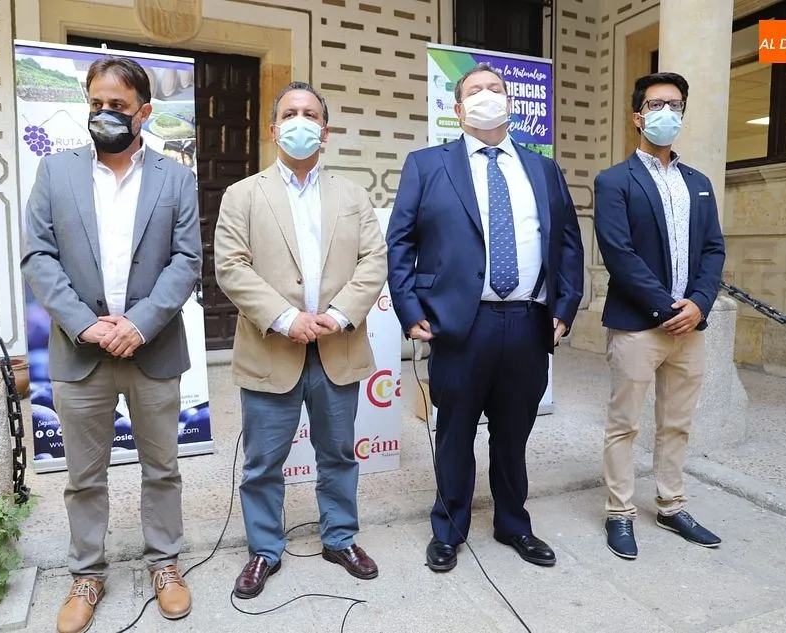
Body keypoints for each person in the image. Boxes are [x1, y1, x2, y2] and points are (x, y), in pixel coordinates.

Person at [21, 57, 201, 632]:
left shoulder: (176, 178)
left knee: (162, 468)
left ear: (144, 112)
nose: (105, 115)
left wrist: (139, 323)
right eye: (96, 104)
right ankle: (87, 573)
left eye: (118, 107)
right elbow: (38, 257)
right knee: (84, 475)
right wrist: (86, 324)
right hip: (83, 352)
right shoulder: (56, 171)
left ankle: (165, 564)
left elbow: (187, 260)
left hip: (152, 348)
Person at [387, 63, 584, 572]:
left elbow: (566, 242)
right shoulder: (427, 165)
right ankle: (449, 527)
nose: (486, 96)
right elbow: (400, 242)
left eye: (495, 89)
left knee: (513, 432)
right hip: (459, 324)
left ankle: (514, 523)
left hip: (527, 321)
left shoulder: (543, 168)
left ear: (511, 103)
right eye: (474, 90)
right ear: (457, 110)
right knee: (454, 431)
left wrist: (565, 307)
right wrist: (409, 310)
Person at [214, 81, 387, 599]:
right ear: (273, 129)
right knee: (264, 460)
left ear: (325, 131)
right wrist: (288, 318)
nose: (300, 120)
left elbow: (373, 261)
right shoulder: (242, 194)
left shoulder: (353, 196)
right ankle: (264, 549)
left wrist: (337, 314)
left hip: (338, 346)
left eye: (310, 113)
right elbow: (231, 267)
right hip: (272, 348)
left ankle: (340, 538)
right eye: (290, 113)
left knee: (338, 453)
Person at [594, 72, 726, 560]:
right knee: (623, 424)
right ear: (638, 116)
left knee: (677, 423)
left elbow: (713, 250)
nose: (666, 112)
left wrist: (698, 305)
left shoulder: (700, 184)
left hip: (690, 329)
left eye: (675, 104)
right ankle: (620, 512)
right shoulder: (614, 181)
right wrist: (665, 307)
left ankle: (672, 505)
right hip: (637, 325)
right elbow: (619, 252)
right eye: (656, 104)